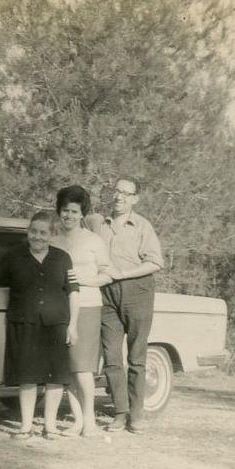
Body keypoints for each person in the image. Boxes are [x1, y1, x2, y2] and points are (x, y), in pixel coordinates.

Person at [0, 210, 80, 439]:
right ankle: (26, 426)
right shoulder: (14, 256)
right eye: (33, 232)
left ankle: (50, 426)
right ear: (28, 233)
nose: (37, 237)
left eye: (43, 233)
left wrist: (72, 326)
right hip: (23, 323)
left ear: (52, 235)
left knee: (55, 378)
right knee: (27, 376)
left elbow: (73, 293)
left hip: (56, 325)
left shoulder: (63, 258)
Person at [86, 177, 163, 433]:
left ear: (135, 199)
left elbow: (155, 263)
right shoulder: (98, 224)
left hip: (137, 291)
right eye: (116, 191)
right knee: (111, 356)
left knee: (137, 356)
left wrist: (124, 274)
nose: (119, 197)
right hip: (106, 293)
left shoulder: (142, 226)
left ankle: (137, 414)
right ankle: (120, 412)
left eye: (126, 194)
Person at [51, 185, 113, 436]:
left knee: (83, 367)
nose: (69, 216)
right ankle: (77, 421)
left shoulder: (93, 240)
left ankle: (90, 421)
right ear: (59, 211)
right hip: (60, 307)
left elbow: (108, 274)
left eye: (75, 211)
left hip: (87, 305)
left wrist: (84, 280)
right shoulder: (52, 238)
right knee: (68, 368)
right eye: (65, 210)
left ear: (82, 213)